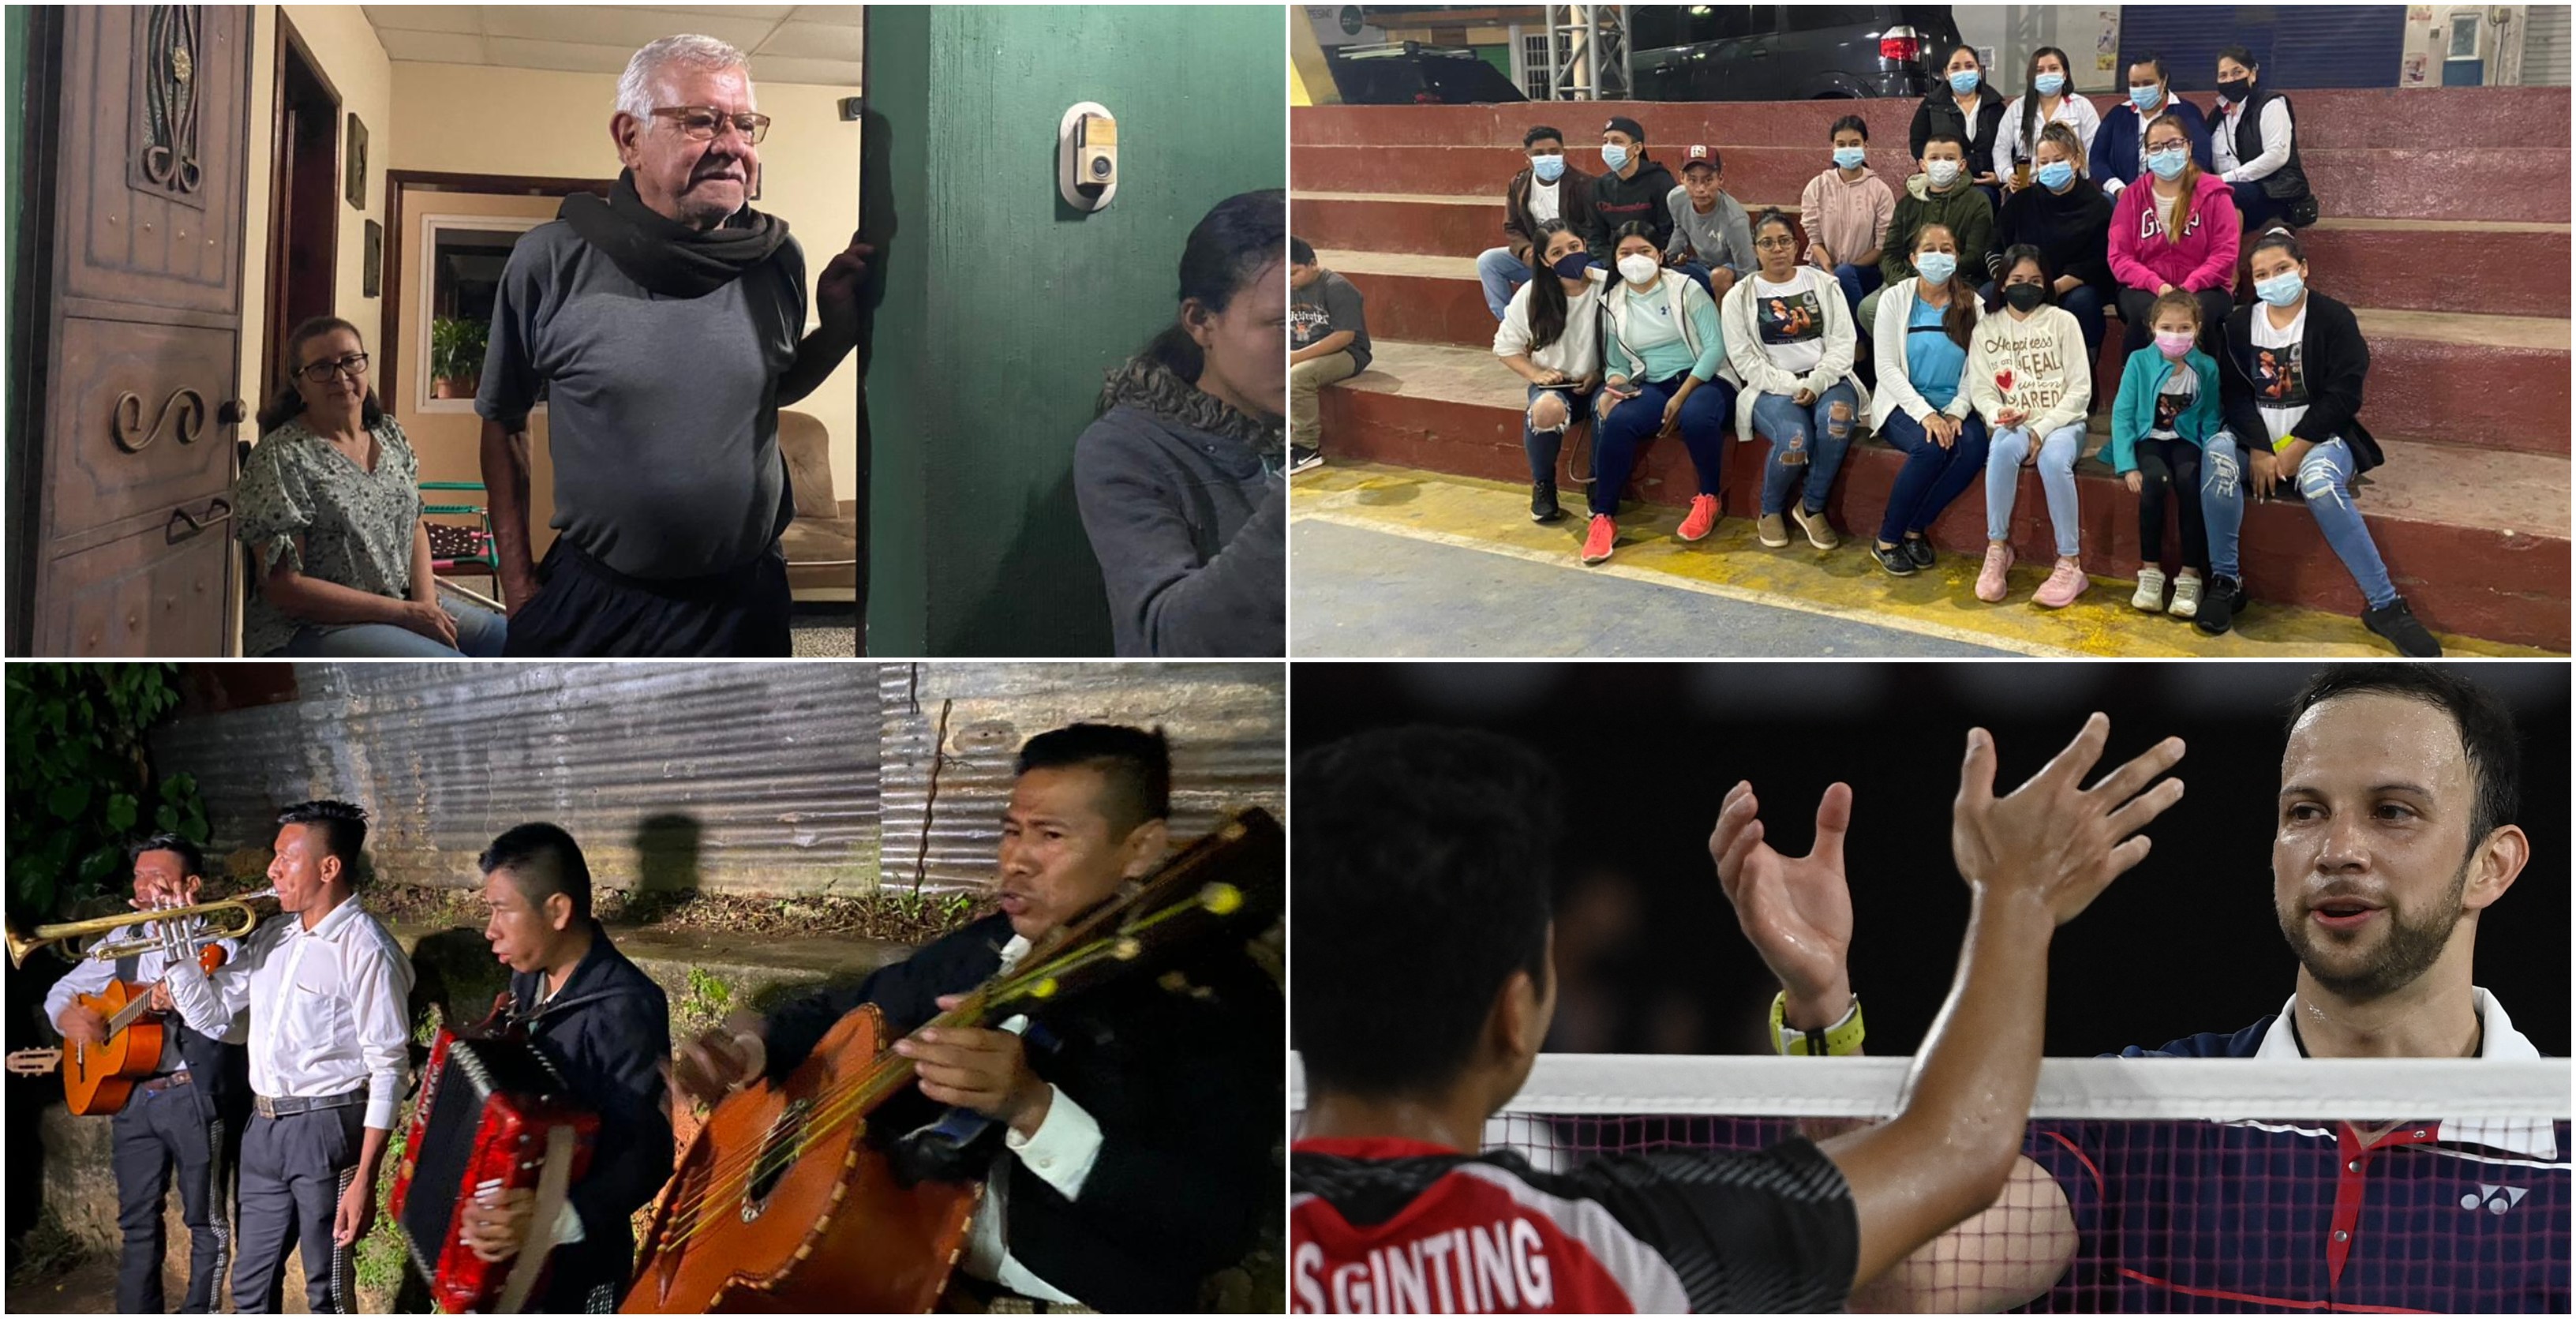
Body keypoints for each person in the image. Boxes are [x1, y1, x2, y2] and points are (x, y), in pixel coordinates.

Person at [1291, 712, 2187, 1313]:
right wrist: (2016, 895)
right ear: (1515, 1015)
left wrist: (1820, 1001)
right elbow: (1956, 1155)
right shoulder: (1628, 1244)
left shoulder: (1213, 1236)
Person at [1732, 665, 2560, 1313]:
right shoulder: (2147, 1118)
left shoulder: (2562, 1157)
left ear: (2493, 865)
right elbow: (1899, 1283)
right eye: (2305, 811)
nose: (2338, 849)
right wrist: (1821, 1008)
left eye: (2393, 812)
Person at [671, 725, 1278, 1313]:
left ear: (1140, 847)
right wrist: (754, 1042)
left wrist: (1033, 1108)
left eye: (1051, 835)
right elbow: (847, 1008)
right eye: (1011, 830)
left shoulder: (1216, 1004)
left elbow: (1217, 1224)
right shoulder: (987, 947)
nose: (1016, 859)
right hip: (886, 1256)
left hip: (1058, 1296)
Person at [477, 34, 874, 658]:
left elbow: (768, 386)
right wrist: (519, 583)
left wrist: (840, 330)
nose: (733, 146)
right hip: (598, 603)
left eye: (745, 124)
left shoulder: (777, 261)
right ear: (629, 138)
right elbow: (503, 423)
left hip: (745, 603)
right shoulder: (549, 262)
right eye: (702, 121)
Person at [165, 801, 414, 1315]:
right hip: (263, 1124)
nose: (272, 870)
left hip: (327, 1124)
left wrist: (365, 1176)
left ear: (329, 867)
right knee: (250, 1286)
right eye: (274, 858)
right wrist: (178, 947)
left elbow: (389, 1066)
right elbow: (212, 1019)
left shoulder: (365, 948)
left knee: (326, 1290)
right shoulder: (272, 936)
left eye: (285, 858)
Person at [447, 824, 673, 1314]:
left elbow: (647, 1153)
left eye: (502, 909)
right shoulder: (528, 981)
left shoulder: (626, 1007)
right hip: (513, 1257)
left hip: (576, 1266)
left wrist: (553, 1218)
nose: (490, 928)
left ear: (557, 911)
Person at [2203, 229, 2438, 656]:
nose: (2273, 279)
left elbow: (2345, 394)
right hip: (2257, 441)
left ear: (2303, 269)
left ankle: (2386, 606)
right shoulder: (2238, 324)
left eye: (2282, 269)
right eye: (2261, 274)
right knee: (2217, 457)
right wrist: (2258, 448)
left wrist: (2296, 448)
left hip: (2319, 440)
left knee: (2321, 483)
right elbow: (2235, 394)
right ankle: (2226, 582)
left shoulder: (2333, 318)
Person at [1076, 190, 1286, 658]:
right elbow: (1166, 639)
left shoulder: (1326, 416)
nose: (1301, 346)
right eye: (1280, 324)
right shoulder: (1127, 451)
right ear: (1201, 322)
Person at [43, 836, 245, 1315]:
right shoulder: (124, 939)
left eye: (157, 877)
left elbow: (226, 1010)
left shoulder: (219, 941)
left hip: (192, 1093)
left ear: (190, 884)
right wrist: (70, 1020)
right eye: (139, 877)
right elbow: (62, 993)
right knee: (136, 1220)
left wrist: (181, 988)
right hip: (132, 1098)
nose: (144, 886)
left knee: (205, 1219)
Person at [236, 317, 507, 658]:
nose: (340, 376)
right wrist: (406, 615)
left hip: (400, 604)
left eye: (350, 361)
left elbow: (416, 525)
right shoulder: (281, 457)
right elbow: (286, 589)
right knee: (448, 666)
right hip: (314, 627)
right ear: (299, 384)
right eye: (322, 367)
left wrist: (425, 606)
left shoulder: (389, 434)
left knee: (513, 639)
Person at [1583, 222, 1737, 567]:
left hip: (1705, 378)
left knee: (1698, 416)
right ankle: (1604, 517)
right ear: (1614, 258)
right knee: (1619, 421)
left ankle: (1709, 497)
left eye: (1644, 251)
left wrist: (1681, 396)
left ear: (1660, 255)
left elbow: (1715, 348)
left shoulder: (1687, 289)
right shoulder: (1611, 302)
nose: (1635, 260)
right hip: (1652, 383)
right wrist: (1615, 388)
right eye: (1625, 253)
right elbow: (1616, 361)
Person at [1724, 208, 1869, 552]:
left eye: (1784, 241)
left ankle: (1812, 506)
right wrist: (1793, 386)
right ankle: (1770, 509)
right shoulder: (1739, 297)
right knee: (1795, 439)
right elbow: (1744, 360)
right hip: (1771, 388)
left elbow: (1843, 343)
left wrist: (1817, 382)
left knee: (1837, 420)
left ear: (1796, 245)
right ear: (1755, 248)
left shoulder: (1822, 284)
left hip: (1828, 379)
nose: (1777, 249)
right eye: (1767, 243)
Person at [1968, 246, 2092, 607]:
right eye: (2018, 280)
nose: (2027, 287)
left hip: (2062, 422)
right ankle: (1997, 548)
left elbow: (2080, 390)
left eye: (2036, 281)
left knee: (2054, 461)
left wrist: (2042, 430)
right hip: (2016, 420)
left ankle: (2070, 562)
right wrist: (1999, 415)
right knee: (2003, 447)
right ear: (2002, 284)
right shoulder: (1987, 328)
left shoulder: (2063, 322)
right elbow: (1981, 389)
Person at [1867, 223, 1989, 578]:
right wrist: (1925, 415)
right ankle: (1887, 539)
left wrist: (1955, 412)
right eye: (1930, 249)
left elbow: (1976, 370)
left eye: (1947, 249)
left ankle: (1915, 528)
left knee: (1973, 449)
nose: (1939, 256)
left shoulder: (1973, 304)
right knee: (1930, 447)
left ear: (1957, 256)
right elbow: (1886, 368)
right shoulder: (1894, 299)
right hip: (1903, 405)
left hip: (1954, 404)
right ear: (1913, 258)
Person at [2107, 289, 2223, 620]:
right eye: (2168, 327)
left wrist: (2210, 452)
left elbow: (2212, 416)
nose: (2176, 335)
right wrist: (2127, 464)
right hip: (2150, 439)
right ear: (2153, 327)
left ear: (2197, 328)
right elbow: (2123, 414)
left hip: (2187, 440)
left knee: (2189, 482)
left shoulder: (2207, 367)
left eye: (2184, 327)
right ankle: (2151, 572)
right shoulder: (2139, 361)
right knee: (2155, 482)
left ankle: (2190, 575)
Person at [1494, 220, 1605, 525]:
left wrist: (1600, 373)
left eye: (1573, 247)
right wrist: (1535, 374)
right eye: (1557, 252)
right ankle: (1544, 486)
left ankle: (1599, 483)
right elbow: (1504, 347)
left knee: (1612, 407)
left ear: (1585, 244)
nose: (1568, 255)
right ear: (1544, 260)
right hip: (1558, 384)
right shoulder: (1533, 294)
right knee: (1545, 410)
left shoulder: (1607, 285)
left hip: (1601, 381)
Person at [2107, 112, 2238, 358]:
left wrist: (2189, 286)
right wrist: (2158, 286)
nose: (2166, 152)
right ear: (2146, 154)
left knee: (2200, 313)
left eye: (2174, 144)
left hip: (2206, 287)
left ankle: (2207, 389)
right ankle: (2138, 388)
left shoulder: (2215, 194)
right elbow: (2120, 258)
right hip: (2146, 288)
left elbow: (2225, 254)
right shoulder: (2133, 197)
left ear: (2189, 147)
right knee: (2146, 315)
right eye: (2156, 147)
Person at [1986, 123, 2114, 373]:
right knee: (1985, 296)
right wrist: (2008, 282)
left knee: (2084, 303)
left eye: (2058, 160)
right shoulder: (2020, 201)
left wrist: (2050, 289)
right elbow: (1993, 247)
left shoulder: (2097, 206)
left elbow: (2097, 262)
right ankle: (1996, 372)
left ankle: (2081, 372)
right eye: (2044, 162)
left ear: (2075, 161)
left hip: (2070, 286)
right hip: (2018, 282)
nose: (2050, 167)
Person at [1858, 131, 1992, 333]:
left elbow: (1975, 255)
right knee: (1868, 309)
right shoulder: (1907, 204)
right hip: (1907, 280)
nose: (1941, 163)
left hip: (1958, 282)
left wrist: (1939, 278)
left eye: (1949, 158)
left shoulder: (1978, 202)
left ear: (1962, 165)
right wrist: (1905, 283)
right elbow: (1890, 253)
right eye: (1934, 158)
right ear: (1923, 165)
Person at [1477, 126, 1595, 321]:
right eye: (1539, 153)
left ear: (1564, 153)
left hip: (1573, 259)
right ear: (1528, 157)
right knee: (1489, 262)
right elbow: (1512, 226)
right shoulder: (1519, 183)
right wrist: (1526, 251)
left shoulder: (1585, 184)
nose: (1548, 157)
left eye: (1554, 152)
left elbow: (1593, 229)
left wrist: (1565, 253)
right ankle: (1511, 325)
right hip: (1537, 258)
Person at [1801, 114, 1896, 325]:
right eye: (1841, 144)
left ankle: (1859, 343)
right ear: (1832, 147)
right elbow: (1814, 239)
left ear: (1866, 146)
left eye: (1854, 144)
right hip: (1824, 267)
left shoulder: (1880, 191)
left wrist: (1844, 271)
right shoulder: (1817, 187)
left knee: (1845, 275)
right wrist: (1829, 269)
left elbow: (1881, 247)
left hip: (1865, 272)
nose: (1847, 149)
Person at [1288, 237, 1372, 473]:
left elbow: (1344, 336)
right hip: (1301, 349)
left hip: (1347, 353)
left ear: (1313, 263)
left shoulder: (1337, 288)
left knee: (1298, 377)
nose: (1288, 281)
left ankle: (1306, 448)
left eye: (1294, 273)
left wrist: (1296, 357)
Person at [2210, 45, 2314, 234]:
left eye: (2237, 72)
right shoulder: (2217, 116)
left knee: (2222, 194)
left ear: (2253, 74)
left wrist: (2224, 180)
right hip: (2232, 192)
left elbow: (2277, 155)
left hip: (2272, 192)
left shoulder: (2271, 104)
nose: (2230, 80)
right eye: (2223, 76)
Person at [2089, 53, 2213, 197]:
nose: (2141, 89)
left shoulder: (2188, 113)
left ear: (2164, 80)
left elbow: (2201, 159)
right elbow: (2097, 160)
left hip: (2176, 194)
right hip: (2124, 196)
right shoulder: (2117, 115)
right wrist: (2117, 189)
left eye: (2147, 83)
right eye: (2134, 85)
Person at [1908, 42, 2008, 208]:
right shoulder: (1931, 105)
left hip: (1982, 185)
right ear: (1946, 73)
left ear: (1978, 70)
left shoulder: (1995, 106)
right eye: (1956, 67)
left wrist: (2000, 176)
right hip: (1940, 182)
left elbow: (2006, 145)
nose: (1963, 72)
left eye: (1969, 66)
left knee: (1980, 202)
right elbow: (1917, 142)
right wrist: (1935, 170)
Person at [1994, 46, 2101, 196]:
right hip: (2027, 187)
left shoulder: (2082, 106)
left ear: (2065, 74)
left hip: (2071, 186)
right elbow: (2001, 148)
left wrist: (2084, 178)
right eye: (2039, 71)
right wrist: (2008, 174)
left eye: (2053, 69)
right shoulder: (2017, 108)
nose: (2046, 75)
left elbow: (2095, 149)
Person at [1582, 116, 1678, 267]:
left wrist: (1648, 258)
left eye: (1617, 141)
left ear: (1637, 148)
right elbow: (1595, 236)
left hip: (1652, 260)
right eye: (1605, 141)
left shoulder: (1661, 182)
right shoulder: (1598, 186)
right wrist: (1613, 262)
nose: (1609, 147)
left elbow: (1668, 231)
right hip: (1613, 261)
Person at [1664, 144, 1754, 302]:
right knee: (1658, 267)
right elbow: (1680, 229)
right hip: (1701, 265)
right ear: (1681, 178)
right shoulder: (1675, 199)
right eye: (1692, 180)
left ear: (1720, 179)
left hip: (1729, 274)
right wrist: (1673, 256)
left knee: (1720, 276)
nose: (1700, 189)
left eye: (1708, 180)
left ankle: (1722, 324)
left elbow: (1747, 271)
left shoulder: (1735, 220)